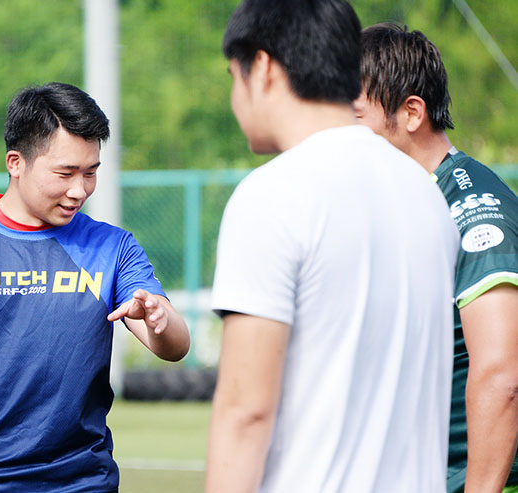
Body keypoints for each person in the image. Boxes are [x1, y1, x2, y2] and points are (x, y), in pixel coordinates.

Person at [0, 81, 190, 492]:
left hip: (82, 483)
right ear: (15, 162)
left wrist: (158, 318)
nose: (79, 190)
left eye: (91, 173)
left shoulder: (112, 247)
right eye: (65, 173)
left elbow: (174, 346)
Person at [205, 1, 459, 492]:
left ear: (260, 67)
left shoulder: (272, 195)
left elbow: (246, 413)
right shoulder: (427, 196)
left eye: (232, 77)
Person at [353, 23, 518, 493]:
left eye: (356, 117)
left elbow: (501, 374)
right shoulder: (400, 201)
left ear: (410, 113)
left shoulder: (472, 206)